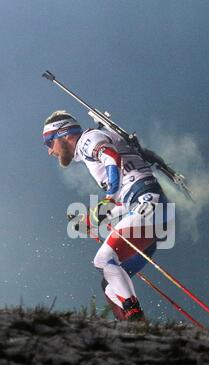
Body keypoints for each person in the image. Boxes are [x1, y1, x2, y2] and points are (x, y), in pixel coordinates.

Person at [43, 110, 171, 321]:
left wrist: (109, 196)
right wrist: (92, 218)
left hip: (149, 203)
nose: (50, 151)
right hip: (147, 208)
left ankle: (135, 316)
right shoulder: (92, 147)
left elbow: (112, 156)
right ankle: (131, 330)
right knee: (109, 284)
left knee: (103, 260)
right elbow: (124, 197)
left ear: (63, 134)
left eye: (49, 143)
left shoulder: (87, 140)